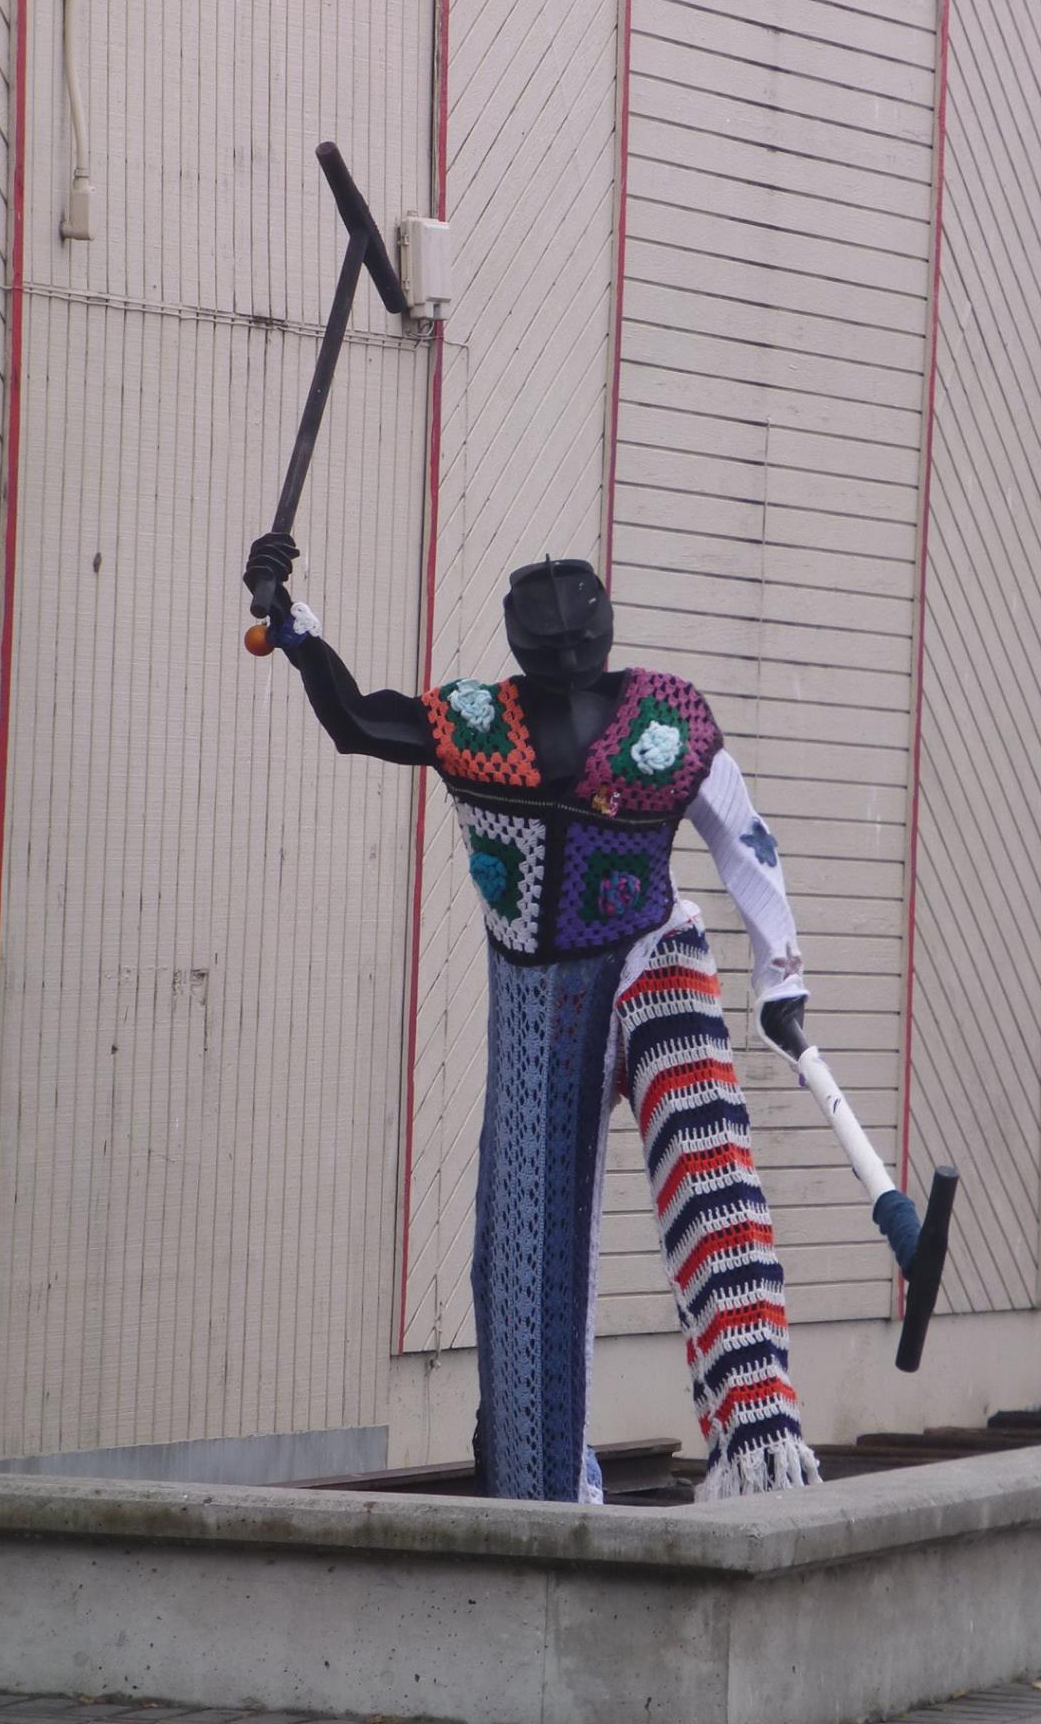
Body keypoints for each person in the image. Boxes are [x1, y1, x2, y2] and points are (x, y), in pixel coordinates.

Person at [243, 534, 827, 1502]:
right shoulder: (643, 720)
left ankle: (692, 1451)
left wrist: (297, 628)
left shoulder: (498, 729)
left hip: (615, 971)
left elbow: (356, 719)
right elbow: (747, 843)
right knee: (595, 1223)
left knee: (635, 1203)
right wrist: (780, 977)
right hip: (575, 990)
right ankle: (608, 1470)